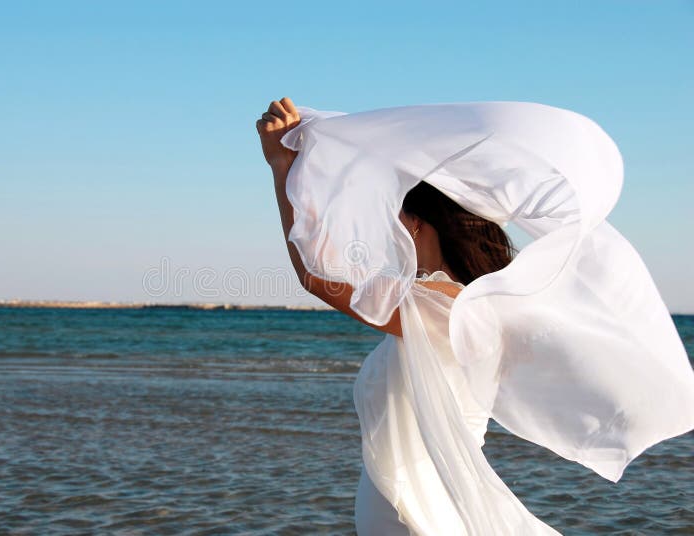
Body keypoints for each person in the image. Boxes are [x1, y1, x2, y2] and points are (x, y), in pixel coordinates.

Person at [256, 97, 694, 535]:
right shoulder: (477, 307)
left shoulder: (436, 305)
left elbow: (317, 276)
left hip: (412, 505)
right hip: (419, 498)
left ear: (414, 222)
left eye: (397, 208)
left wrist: (283, 167)